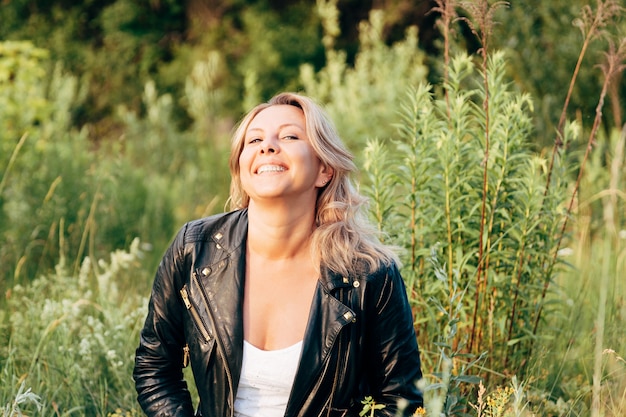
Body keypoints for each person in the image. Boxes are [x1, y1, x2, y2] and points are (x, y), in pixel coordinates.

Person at [133, 92, 424, 417]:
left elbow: (401, 401)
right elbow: (154, 367)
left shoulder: (368, 274)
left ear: (324, 170)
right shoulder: (194, 248)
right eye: (254, 139)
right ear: (242, 167)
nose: (267, 146)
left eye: (289, 136)